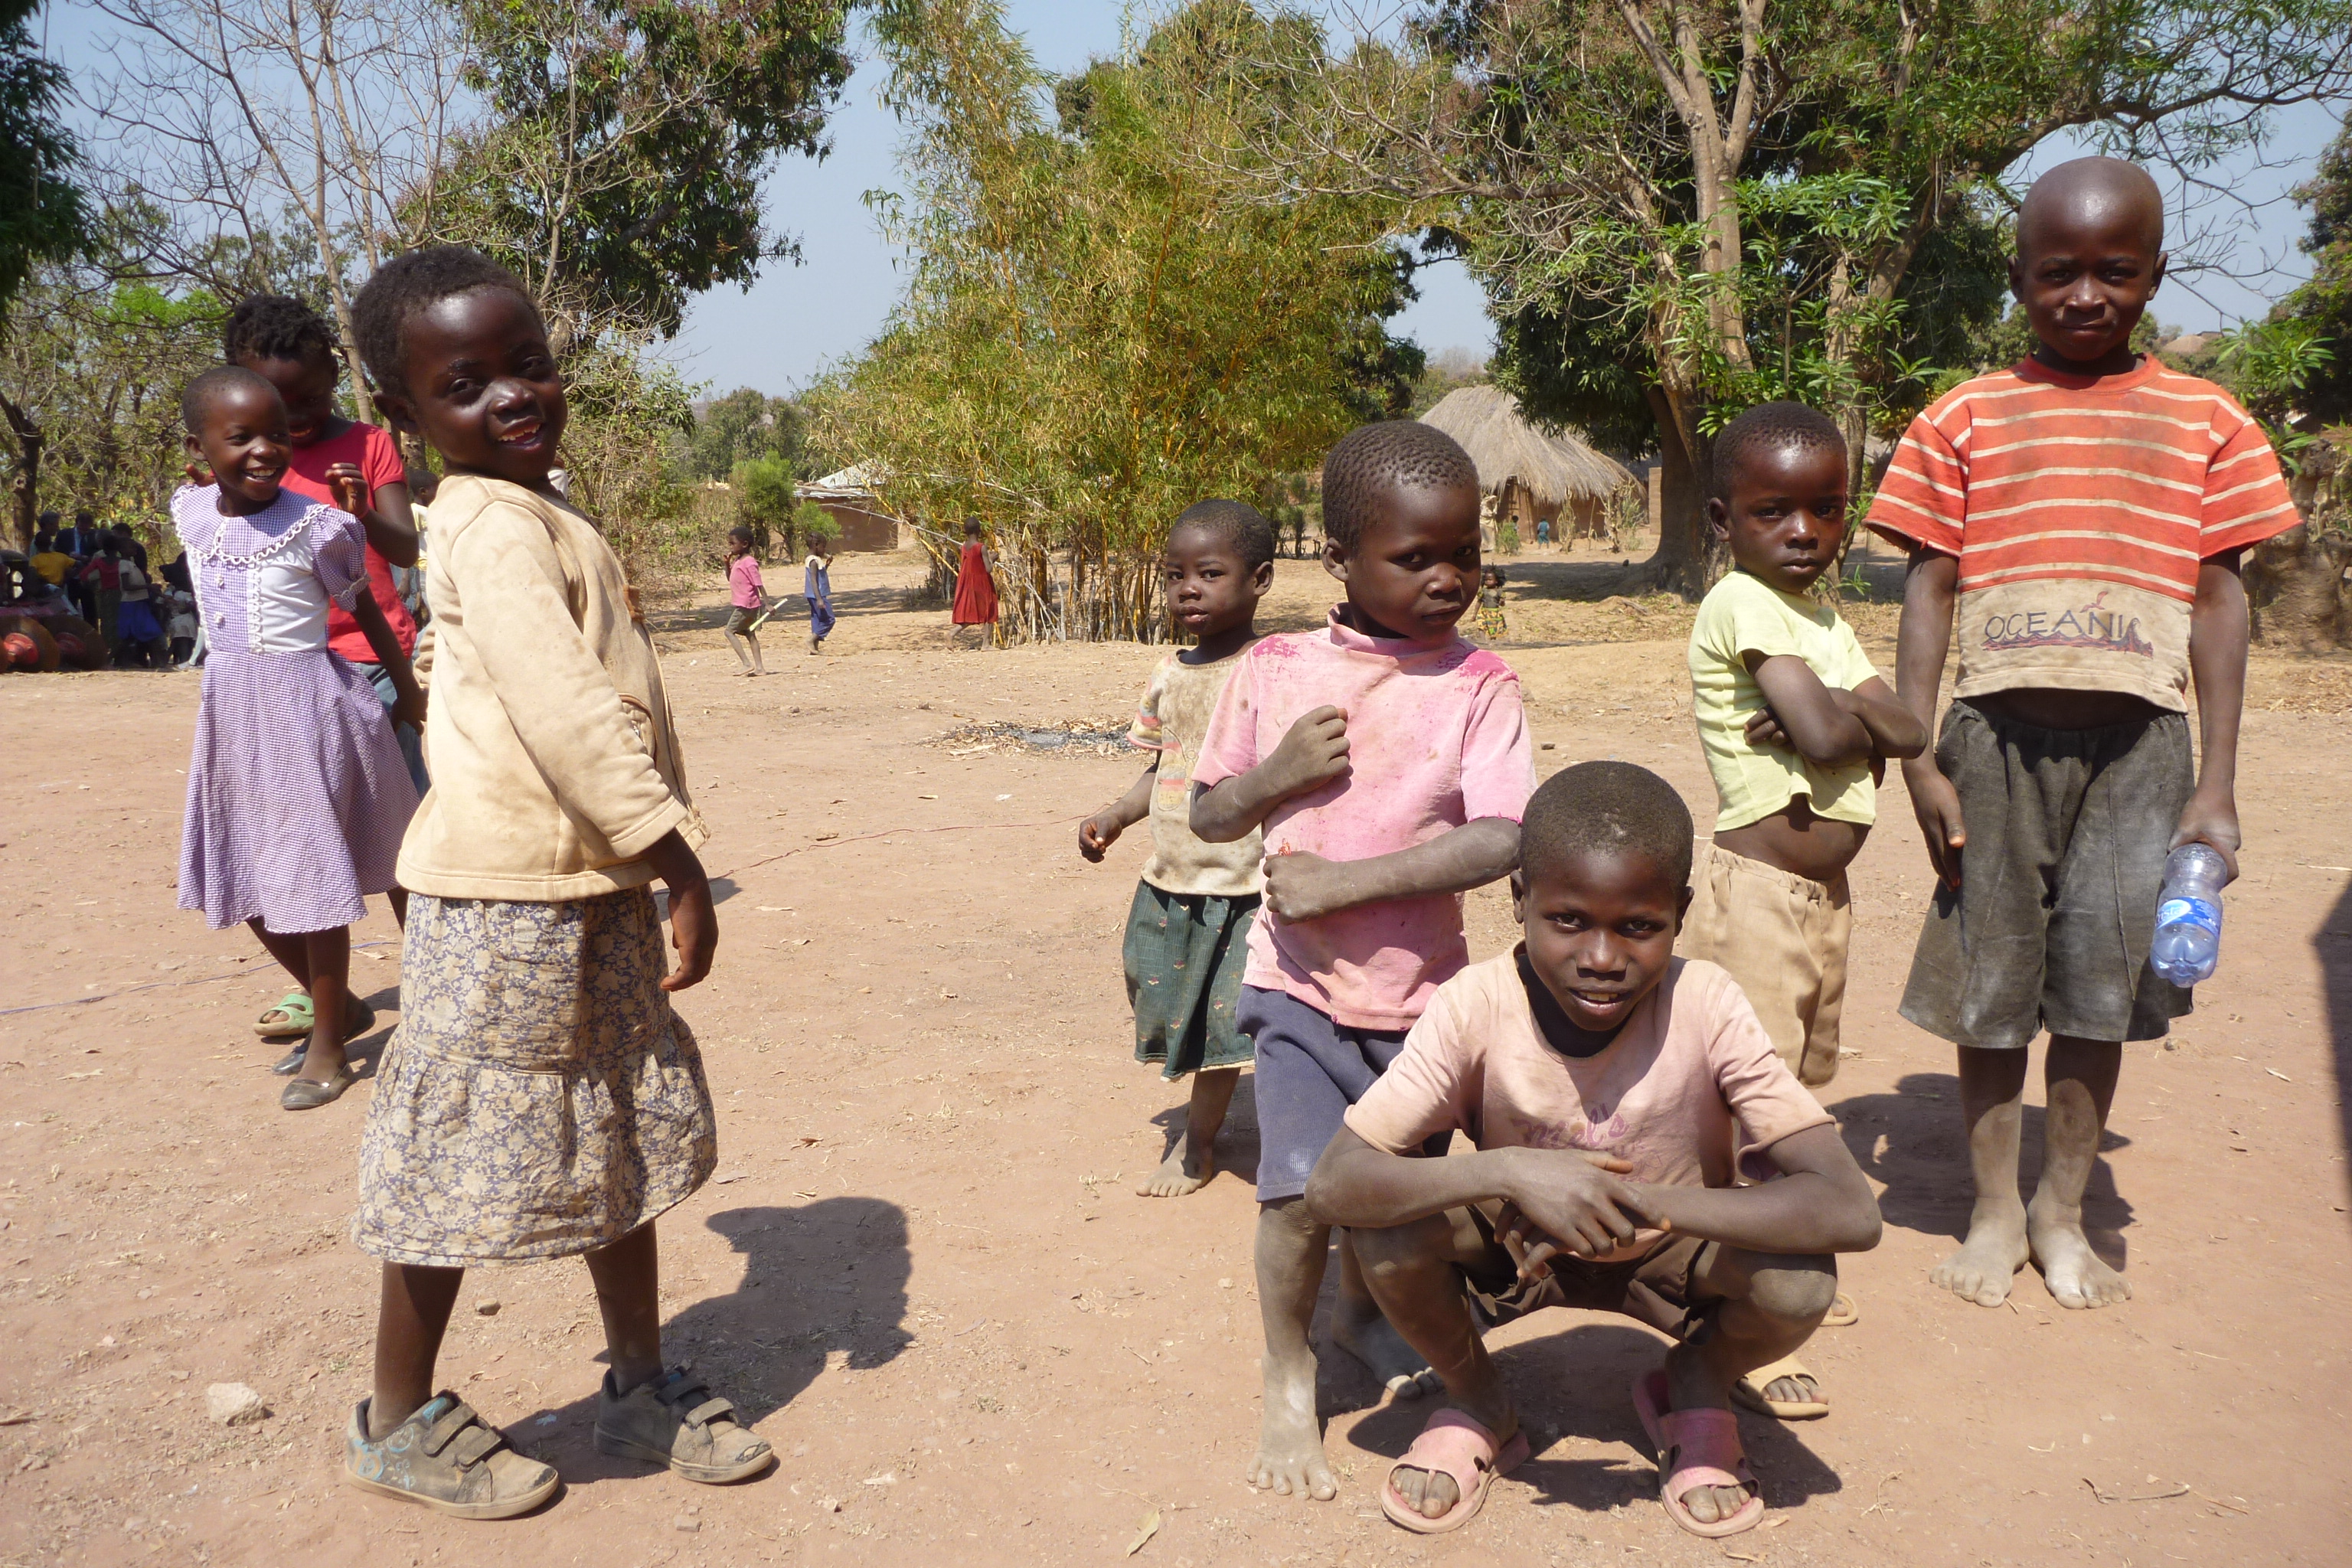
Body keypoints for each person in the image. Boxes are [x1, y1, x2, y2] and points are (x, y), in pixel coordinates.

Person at [343, 244, 766, 1517]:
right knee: (460, 1148)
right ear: (403, 413)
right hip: (503, 902)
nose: (511, 395)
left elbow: (527, 679)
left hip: (583, 887)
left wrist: (633, 856)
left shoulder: (535, 511)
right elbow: (567, 710)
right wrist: (674, 855)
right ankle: (396, 1419)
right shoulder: (487, 522)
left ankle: (635, 1382)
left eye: (526, 364)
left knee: (616, 1124)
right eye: (464, 384)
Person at [1866, 158, 2298, 1312]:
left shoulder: (2209, 421)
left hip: (2142, 753)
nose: (2087, 295)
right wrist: (1917, 756)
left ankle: (2061, 1209)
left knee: (2101, 989)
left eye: (2116, 271)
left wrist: (2216, 784)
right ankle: (1994, 1208)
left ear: (2155, 275)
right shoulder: (1961, 418)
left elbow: (2219, 603)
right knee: (1990, 983)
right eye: (2059, 272)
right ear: (2018, 276)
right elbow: (1929, 590)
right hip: (1990, 744)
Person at [1306, 763, 1883, 1539]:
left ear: (1679, 914)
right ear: (1519, 900)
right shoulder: (1477, 1003)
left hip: (1674, 1255)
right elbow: (1335, 1183)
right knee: (1388, 1228)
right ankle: (1477, 1398)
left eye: (1639, 926)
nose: (1603, 956)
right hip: (1522, 1245)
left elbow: (1849, 1208)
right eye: (1569, 920)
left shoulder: (1707, 1004)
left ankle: (1696, 1380)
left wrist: (1642, 1205)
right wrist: (1510, 1170)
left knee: (1800, 1281)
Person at [1189, 420, 1533, 1503]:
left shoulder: (1480, 683)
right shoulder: (1276, 670)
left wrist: (1345, 884)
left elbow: (1503, 837)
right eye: (1414, 557)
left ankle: (1360, 1314)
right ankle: (1289, 1368)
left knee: (1391, 1202)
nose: (1448, 578)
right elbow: (1209, 814)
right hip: (1297, 988)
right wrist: (1277, 776)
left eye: (1464, 553)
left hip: (1423, 1004)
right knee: (1296, 1198)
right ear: (1339, 558)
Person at [1677, 401, 1926, 1413]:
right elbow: (1828, 740)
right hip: (1758, 899)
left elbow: (1905, 728)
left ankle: (1779, 1266)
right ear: (1723, 519)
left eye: (1826, 509)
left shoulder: (1822, 621)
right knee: (1755, 1101)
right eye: (1773, 510)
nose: (1803, 532)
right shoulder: (1739, 603)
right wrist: (1844, 718)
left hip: (1823, 898)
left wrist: (1844, 709)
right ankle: (1748, 1308)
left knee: (1799, 1087)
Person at [172, 366, 424, 1109]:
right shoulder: (191, 512)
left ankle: (329, 1048)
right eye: (241, 437)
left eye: (277, 435)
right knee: (242, 876)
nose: (264, 450)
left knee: (315, 881)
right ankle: (339, 1004)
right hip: (232, 717)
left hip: (308, 709)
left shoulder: (318, 525)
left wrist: (409, 691)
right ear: (198, 450)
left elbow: (365, 606)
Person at [1080, 501, 1276, 1197]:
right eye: (1174, 575)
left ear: (1260, 580)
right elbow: (1160, 766)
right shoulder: (1169, 671)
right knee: (1156, 990)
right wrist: (1116, 815)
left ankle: (1197, 1146)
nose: (1188, 589)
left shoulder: (1271, 671)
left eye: (1210, 574)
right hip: (1170, 879)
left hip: (1243, 884)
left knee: (1222, 1023)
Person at [224, 294, 429, 809]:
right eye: (279, 404)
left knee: (398, 806)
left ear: (334, 377)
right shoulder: (245, 465)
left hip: (374, 660)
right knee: (312, 808)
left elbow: (406, 549)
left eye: (311, 398)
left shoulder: (370, 444)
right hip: (287, 664)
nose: (296, 417)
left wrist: (361, 513)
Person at [722, 525, 769, 676]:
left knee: (729, 631)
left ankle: (746, 663)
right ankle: (760, 668)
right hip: (746, 604)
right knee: (750, 634)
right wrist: (727, 564)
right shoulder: (738, 561)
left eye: (733, 543)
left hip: (746, 605)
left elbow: (758, 583)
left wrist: (768, 603)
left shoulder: (749, 562)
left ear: (744, 544)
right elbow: (730, 578)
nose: (730, 547)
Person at [113, 550, 168, 668]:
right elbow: (127, 586)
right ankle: (157, 662)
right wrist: (148, 586)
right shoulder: (124, 564)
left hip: (138, 603)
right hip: (132, 604)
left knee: (136, 635)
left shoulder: (130, 564)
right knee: (147, 632)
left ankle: (155, 662)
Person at [951, 518, 998, 648]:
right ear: (979, 530)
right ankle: (986, 644)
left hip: (968, 582)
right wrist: (992, 559)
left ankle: (952, 633)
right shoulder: (981, 547)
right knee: (989, 609)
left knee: (973, 612)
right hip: (982, 582)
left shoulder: (964, 546)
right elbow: (988, 569)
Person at [77, 534, 124, 657]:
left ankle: (106, 647)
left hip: (104, 593)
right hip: (120, 594)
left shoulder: (99, 561)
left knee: (105, 621)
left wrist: (88, 586)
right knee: (118, 620)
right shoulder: (122, 562)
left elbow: (83, 575)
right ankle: (117, 648)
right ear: (117, 548)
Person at [803, 541, 836, 654]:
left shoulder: (814, 559)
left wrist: (827, 565)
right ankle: (811, 639)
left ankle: (814, 648)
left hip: (813, 595)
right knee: (829, 619)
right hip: (818, 595)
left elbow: (820, 575)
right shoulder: (813, 561)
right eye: (823, 547)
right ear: (816, 545)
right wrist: (819, 599)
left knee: (817, 619)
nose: (824, 550)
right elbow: (813, 580)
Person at [1474, 567, 1508, 642]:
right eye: (1486, 580)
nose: (1487, 581)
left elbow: (1502, 605)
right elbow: (1479, 602)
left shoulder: (1499, 592)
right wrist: (1474, 614)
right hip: (1483, 612)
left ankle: (1493, 641)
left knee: (1493, 629)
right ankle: (1483, 641)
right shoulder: (1483, 591)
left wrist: (1502, 602)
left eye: (1490, 580)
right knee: (1481, 625)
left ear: (1496, 581)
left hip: (1494, 613)